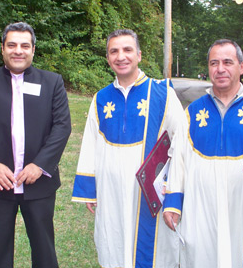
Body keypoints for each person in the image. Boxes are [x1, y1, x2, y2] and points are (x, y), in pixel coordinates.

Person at [72, 29, 187, 268]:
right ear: (107, 58)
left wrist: (174, 193)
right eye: (114, 51)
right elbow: (91, 144)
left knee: (153, 255)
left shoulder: (163, 95)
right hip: (111, 193)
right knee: (113, 246)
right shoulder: (100, 98)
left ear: (139, 55)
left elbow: (182, 145)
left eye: (127, 50)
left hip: (150, 196)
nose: (121, 56)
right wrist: (89, 188)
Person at [163, 39, 243, 267]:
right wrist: (173, 201)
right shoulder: (194, 112)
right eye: (214, 63)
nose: (220, 69)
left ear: (242, 66)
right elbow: (178, 160)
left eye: (228, 62)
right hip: (201, 210)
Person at [0, 22, 71, 268]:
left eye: (25, 45)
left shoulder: (52, 82)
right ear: (2, 49)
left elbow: (62, 127)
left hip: (39, 181)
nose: (18, 51)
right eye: (11, 45)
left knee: (44, 248)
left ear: (33, 50)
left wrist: (40, 165)